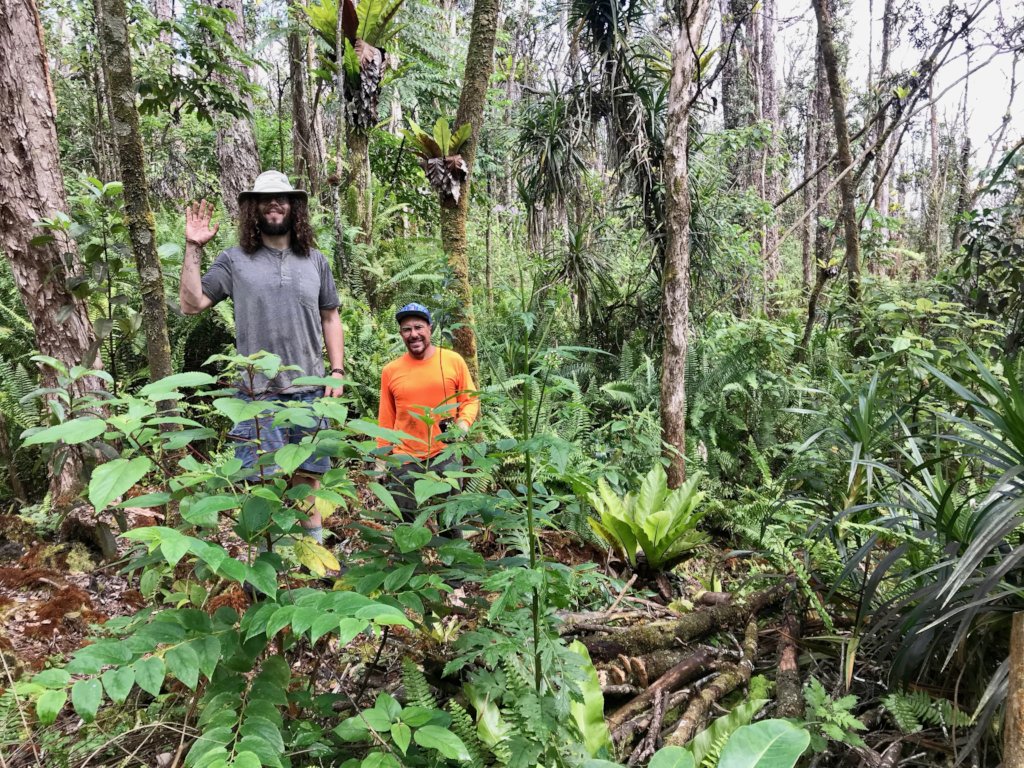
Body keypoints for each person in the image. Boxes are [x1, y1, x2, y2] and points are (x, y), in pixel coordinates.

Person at [179, 170, 345, 544]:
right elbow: (192, 304)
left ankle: (312, 557)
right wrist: (193, 247)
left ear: (294, 207)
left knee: (307, 480)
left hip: (310, 391)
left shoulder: (316, 261)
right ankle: (272, 559)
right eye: (265, 199)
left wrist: (336, 371)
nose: (274, 204)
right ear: (253, 209)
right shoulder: (235, 260)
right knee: (261, 480)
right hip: (256, 395)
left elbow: (331, 316)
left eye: (282, 198)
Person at [377, 303, 480, 526]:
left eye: (418, 327)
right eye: (406, 329)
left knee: (450, 522)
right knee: (405, 523)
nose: (413, 334)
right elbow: (386, 417)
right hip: (404, 457)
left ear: (430, 329)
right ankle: (409, 559)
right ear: (401, 334)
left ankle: (454, 561)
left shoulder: (452, 361)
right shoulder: (391, 371)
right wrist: (381, 457)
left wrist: (463, 424)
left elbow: (470, 399)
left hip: (445, 453)